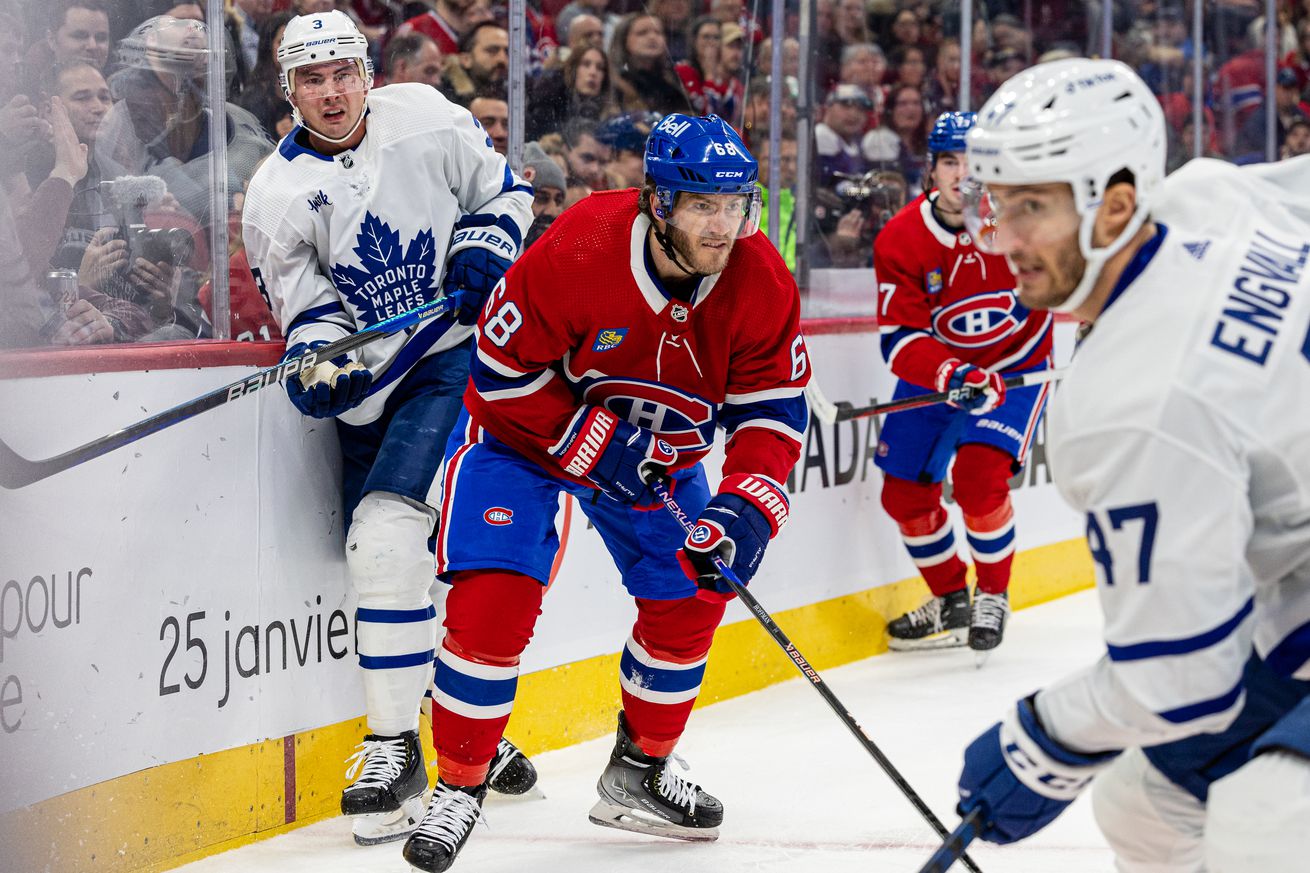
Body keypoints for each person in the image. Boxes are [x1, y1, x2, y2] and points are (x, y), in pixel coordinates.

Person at [403, 113, 809, 872]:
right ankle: (458, 784)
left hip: (657, 457)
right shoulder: (584, 242)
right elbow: (498, 371)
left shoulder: (761, 280)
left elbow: (774, 413)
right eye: (702, 205)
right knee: (495, 598)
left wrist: (746, 506)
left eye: (736, 205)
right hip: (527, 442)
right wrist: (590, 441)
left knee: (692, 597)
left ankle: (640, 771)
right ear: (659, 201)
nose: (725, 226)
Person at [951, 57, 1310, 871]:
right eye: (997, 205)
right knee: (1144, 806)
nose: (1003, 237)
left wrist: (1042, 737)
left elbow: (1182, 680)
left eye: (1032, 208)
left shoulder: (1134, 405)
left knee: (1271, 820)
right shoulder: (1209, 194)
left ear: (1115, 206)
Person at [240, 10, 537, 849]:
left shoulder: (431, 118)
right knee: (395, 562)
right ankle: (454, 721)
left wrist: (485, 241)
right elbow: (308, 313)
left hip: (454, 356)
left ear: (367, 72)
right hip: (377, 387)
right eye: (310, 79)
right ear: (287, 88)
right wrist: (321, 362)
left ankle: (392, 747)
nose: (330, 93)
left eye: (342, 73)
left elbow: (507, 190)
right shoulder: (275, 194)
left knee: (386, 534)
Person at [873, 111, 1053, 653]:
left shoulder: (1020, 224)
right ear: (932, 170)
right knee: (903, 495)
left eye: (975, 163)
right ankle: (952, 599)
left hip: (1015, 369)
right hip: (943, 373)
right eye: (951, 161)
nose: (962, 174)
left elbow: (1060, 284)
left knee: (979, 479)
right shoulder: (901, 239)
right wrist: (953, 372)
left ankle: (992, 595)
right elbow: (900, 339)